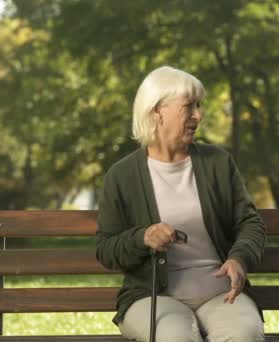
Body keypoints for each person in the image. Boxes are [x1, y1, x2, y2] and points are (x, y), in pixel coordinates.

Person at [96, 66, 266, 342]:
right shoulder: (122, 176)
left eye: (199, 106)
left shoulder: (218, 163)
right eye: (188, 107)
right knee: (176, 338)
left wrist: (239, 258)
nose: (198, 115)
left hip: (221, 294)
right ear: (157, 112)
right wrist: (142, 238)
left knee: (243, 335)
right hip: (153, 298)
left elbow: (250, 222)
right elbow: (106, 249)